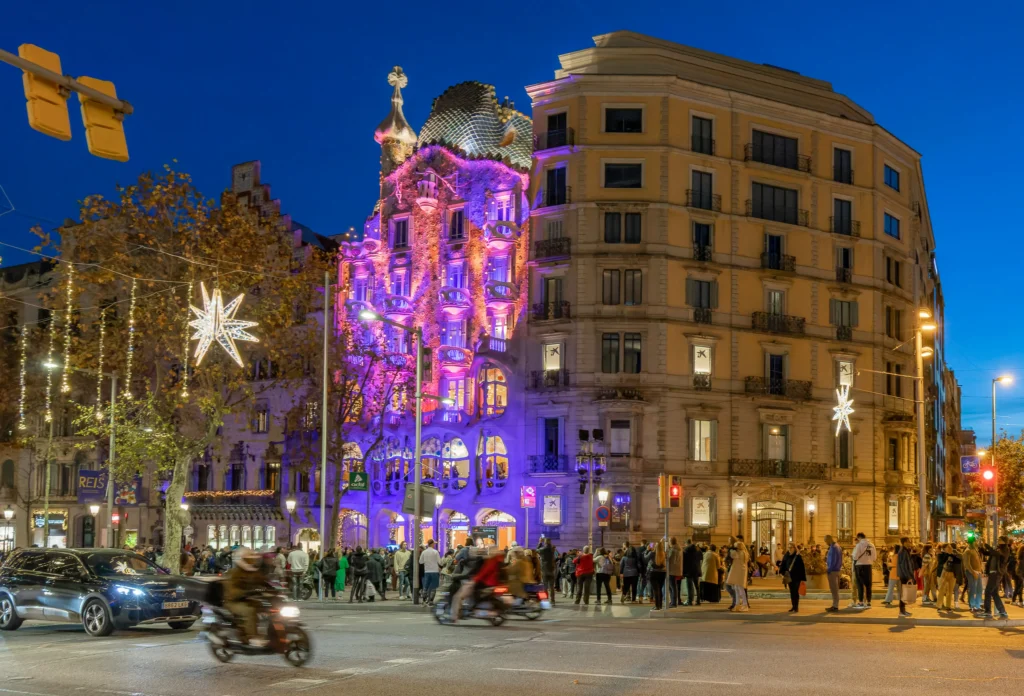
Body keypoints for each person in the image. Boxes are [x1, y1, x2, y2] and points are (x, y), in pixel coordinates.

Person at [222, 547, 270, 646]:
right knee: (249, 611)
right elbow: (231, 592)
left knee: (265, 607)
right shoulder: (233, 573)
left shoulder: (253, 572)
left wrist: (276, 589)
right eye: (249, 558)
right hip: (233, 602)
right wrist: (245, 592)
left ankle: (266, 633)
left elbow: (264, 581)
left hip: (247, 599)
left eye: (252, 557)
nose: (252, 559)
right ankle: (252, 637)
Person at [981, 537, 1010, 619]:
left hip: (997, 573)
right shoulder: (997, 549)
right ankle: (1002, 611)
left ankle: (987, 612)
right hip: (992, 573)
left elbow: (996, 554)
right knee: (994, 593)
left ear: (1004, 541)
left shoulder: (1005, 550)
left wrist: (987, 546)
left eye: (1000, 540)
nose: (998, 541)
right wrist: (981, 547)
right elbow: (988, 553)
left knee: (988, 591)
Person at [851, 532, 876, 609]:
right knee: (868, 585)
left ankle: (861, 602)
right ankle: (868, 602)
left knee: (860, 585)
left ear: (859, 537)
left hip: (860, 565)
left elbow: (855, 557)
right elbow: (874, 557)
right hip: (868, 566)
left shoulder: (859, 545)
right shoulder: (872, 545)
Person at [780, 542, 806, 612]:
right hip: (789, 576)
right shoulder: (786, 555)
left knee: (796, 591)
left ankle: (796, 606)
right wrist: (782, 572)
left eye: (791, 547)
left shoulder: (798, 556)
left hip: (796, 577)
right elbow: (783, 564)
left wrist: (802, 578)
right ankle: (793, 606)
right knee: (792, 591)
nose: (789, 549)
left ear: (794, 548)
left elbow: (801, 567)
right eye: (788, 547)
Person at [726, 536, 750, 612]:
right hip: (739, 571)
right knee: (738, 588)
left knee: (740, 588)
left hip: (738, 572)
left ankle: (744, 605)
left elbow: (732, 555)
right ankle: (737, 604)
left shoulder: (740, 553)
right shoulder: (744, 553)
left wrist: (731, 549)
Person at [963, 539, 984, 612]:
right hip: (971, 572)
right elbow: (967, 564)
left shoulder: (975, 550)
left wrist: (981, 570)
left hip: (978, 572)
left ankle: (977, 605)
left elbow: (979, 560)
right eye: (975, 541)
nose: (976, 543)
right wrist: (973, 572)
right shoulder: (967, 551)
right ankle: (972, 605)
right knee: (972, 589)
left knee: (979, 589)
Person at [897, 537, 915, 618]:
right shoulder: (903, 551)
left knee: (904, 593)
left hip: (904, 574)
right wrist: (909, 576)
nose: (909, 543)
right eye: (908, 541)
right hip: (904, 575)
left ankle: (903, 610)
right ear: (904, 542)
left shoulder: (904, 550)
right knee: (903, 593)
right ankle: (902, 611)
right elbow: (903, 565)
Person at [420, 539, 442, 605]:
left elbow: (420, 561)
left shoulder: (424, 552)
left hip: (427, 571)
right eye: (434, 544)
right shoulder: (435, 552)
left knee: (426, 586)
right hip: (435, 571)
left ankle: (424, 600)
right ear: (432, 544)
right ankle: (431, 601)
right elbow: (440, 562)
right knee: (433, 587)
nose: (434, 545)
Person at [537, 537, 557, 606]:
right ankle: (553, 601)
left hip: (545, 570)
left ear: (545, 542)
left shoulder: (543, 549)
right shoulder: (552, 549)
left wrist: (540, 542)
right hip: (551, 569)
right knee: (551, 587)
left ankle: (545, 600)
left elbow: (537, 550)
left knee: (545, 586)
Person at [648, 540, 667, 611]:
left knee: (655, 590)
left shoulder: (652, 553)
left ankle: (657, 606)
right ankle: (660, 605)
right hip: (662, 573)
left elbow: (645, 559)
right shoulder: (664, 553)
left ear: (655, 547)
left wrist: (648, 549)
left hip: (654, 573)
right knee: (660, 589)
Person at [683, 539, 702, 606]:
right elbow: (701, 559)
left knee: (689, 586)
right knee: (697, 586)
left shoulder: (686, 550)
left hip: (689, 570)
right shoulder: (698, 550)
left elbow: (684, 561)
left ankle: (690, 600)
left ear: (686, 543)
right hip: (696, 569)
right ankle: (698, 600)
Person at [666, 538, 683, 608]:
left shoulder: (672, 550)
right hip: (676, 569)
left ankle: (673, 602)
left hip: (671, 570)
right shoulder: (679, 549)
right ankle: (673, 601)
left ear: (671, 542)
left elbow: (668, 559)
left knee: (672, 587)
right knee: (673, 586)